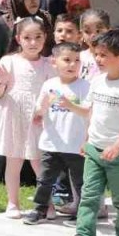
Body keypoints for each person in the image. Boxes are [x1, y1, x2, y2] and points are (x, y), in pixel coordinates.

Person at [56, 28, 119, 236]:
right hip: (94, 149)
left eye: (104, 55)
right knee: (90, 195)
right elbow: (91, 112)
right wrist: (85, 138)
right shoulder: (97, 81)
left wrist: (117, 146)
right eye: (97, 54)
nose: (98, 59)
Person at [0, 16, 54, 218]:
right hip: (14, 115)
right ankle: (13, 203)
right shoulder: (9, 62)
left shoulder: (49, 64)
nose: (33, 42)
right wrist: (1, 83)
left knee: (40, 162)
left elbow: (53, 92)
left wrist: (43, 110)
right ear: (18, 38)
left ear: (45, 38)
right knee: (14, 160)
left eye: (38, 37)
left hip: (38, 116)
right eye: (27, 37)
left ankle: (47, 203)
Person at [24, 43, 89, 225]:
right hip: (51, 144)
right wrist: (43, 105)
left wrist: (71, 105)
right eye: (67, 60)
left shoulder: (85, 86)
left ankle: (83, 214)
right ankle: (40, 209)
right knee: (45, 180)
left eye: (77, 60)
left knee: (80, 182)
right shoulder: (49, 85)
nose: (72, 65)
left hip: (76, 145)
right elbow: (38, 112)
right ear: (54, 62)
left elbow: (89, 112)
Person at [80, 9, 110, 82]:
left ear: (109, 30)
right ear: (81, 33)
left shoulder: (116, 58)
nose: (93, 35)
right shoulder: (78, 57)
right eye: (87, 31)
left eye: (98, 31)